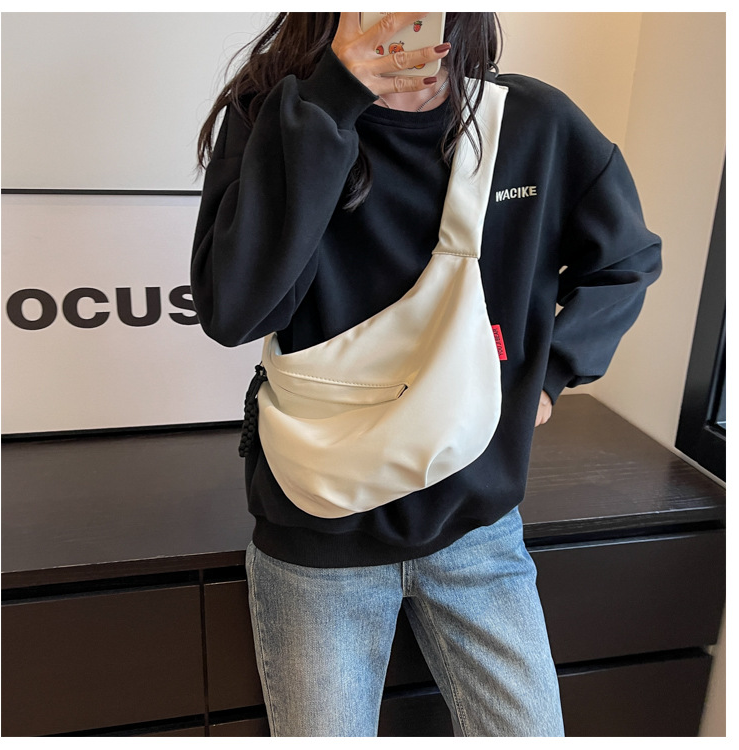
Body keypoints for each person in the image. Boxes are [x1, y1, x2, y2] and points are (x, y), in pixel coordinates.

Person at [191, 12, 662, 737]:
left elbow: (625, 260)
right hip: (317, 533)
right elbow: (236, 311)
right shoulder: (276, 116)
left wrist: (551, 374)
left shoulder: (529, 122)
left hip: (476, 526)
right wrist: (332, 101)